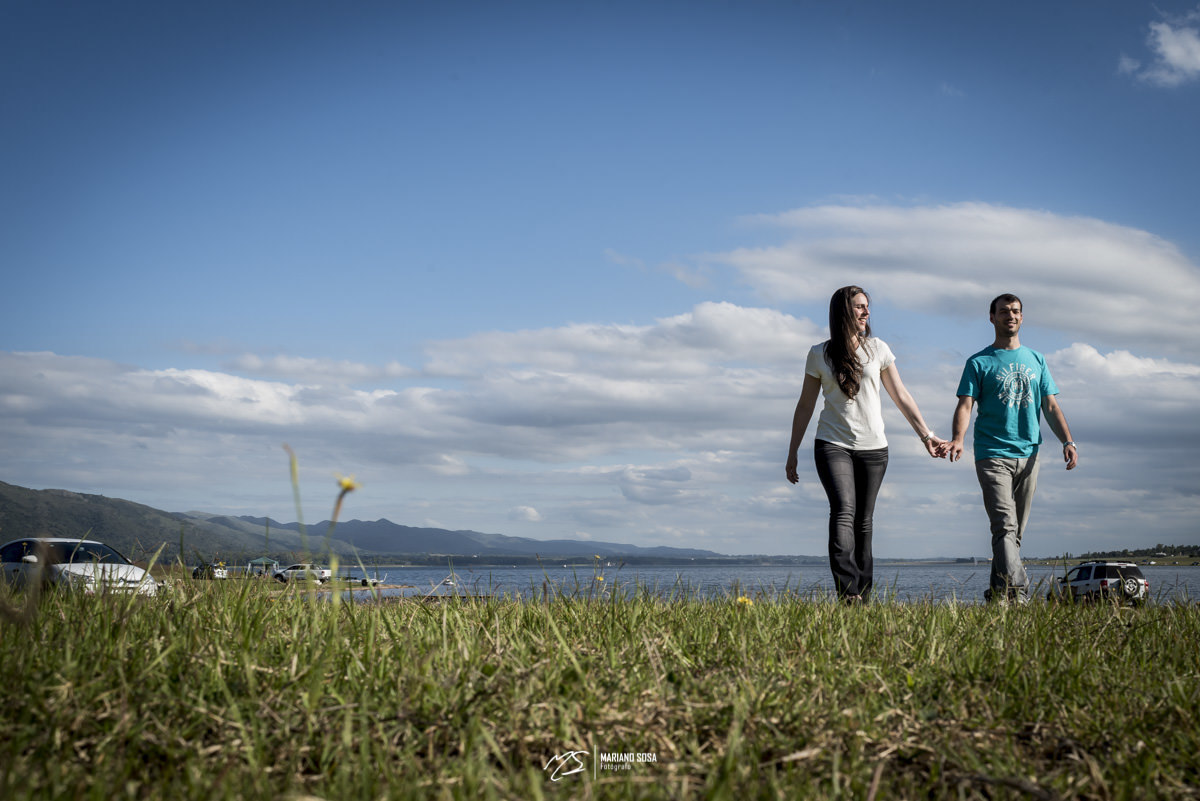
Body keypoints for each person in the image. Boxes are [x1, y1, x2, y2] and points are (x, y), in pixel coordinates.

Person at [786, 286, 948, 602]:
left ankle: (863, 593)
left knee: (864, 521)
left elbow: (901, 395)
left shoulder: (878, 349)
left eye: (867, 307)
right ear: (843, 311)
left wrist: (926, 436)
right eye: (859, 307)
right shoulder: (819, 353)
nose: (866, 312)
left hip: (875, 448)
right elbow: (805, 405)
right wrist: (792, 451)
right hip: (832, 443)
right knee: (844, 511)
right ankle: (848, 593)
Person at [948, 293, 1077, 603]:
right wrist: (958, 439)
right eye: (1004, 311)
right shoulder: (979, 362)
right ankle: (1018, 593)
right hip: (992, 455)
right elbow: (965, 405)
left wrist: (1068, 441)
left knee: (1012, 534)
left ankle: (997, 595)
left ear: (1022, 317)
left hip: (1030, 454)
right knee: (1005, 525)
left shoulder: (1036, 359)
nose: (1011, 316)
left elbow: (1050, 406)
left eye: (1016, 311)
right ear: (992, 317)